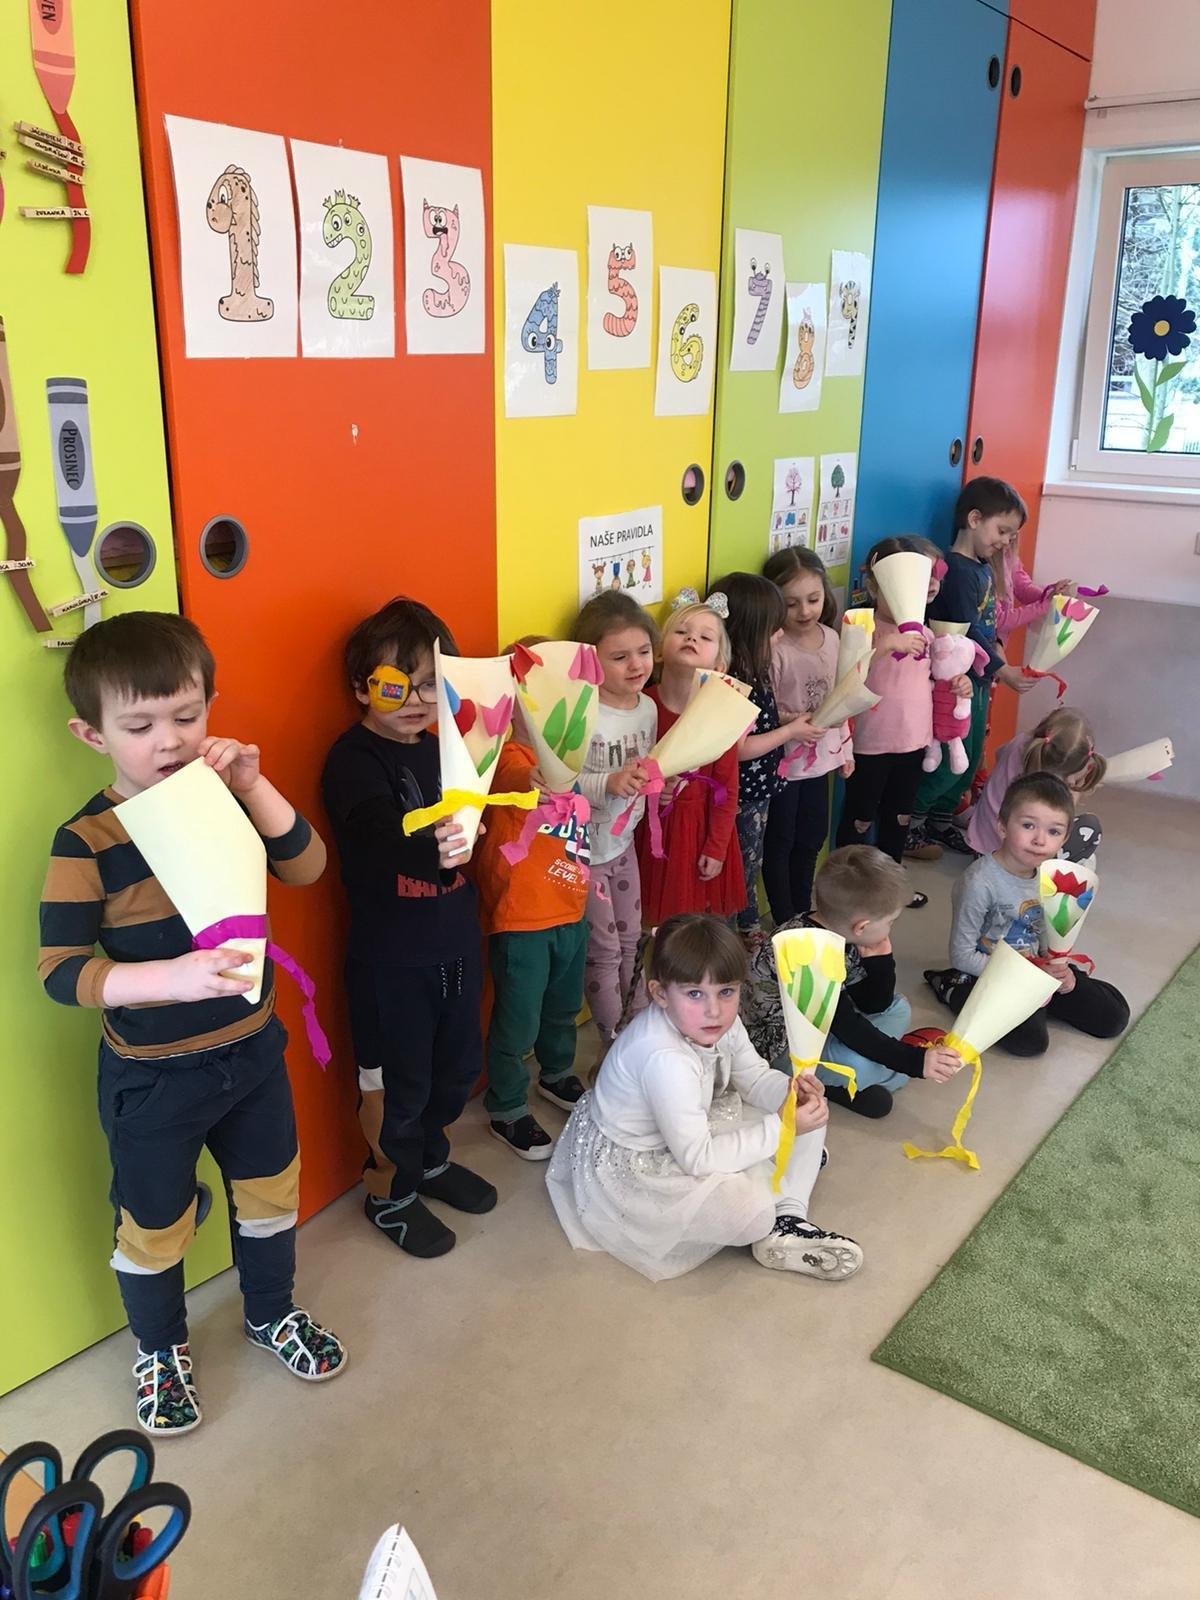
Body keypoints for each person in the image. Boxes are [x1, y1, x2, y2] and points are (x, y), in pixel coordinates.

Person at [38, 613, 346, 1436]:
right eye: (139, 726)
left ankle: (270, 1311)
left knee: (271, 1191)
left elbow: (308, 865)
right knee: (154, 1221)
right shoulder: (86, 839)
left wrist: (252, 784)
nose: (169, 740)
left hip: (251, 1057)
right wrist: (166, 979)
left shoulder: (224, 797)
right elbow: (60, 971)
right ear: (92, 734)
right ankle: (160, 1346)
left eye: (186, 715)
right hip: (152, 1080)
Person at [545, 914, 862, 1282]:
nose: (714, 1010)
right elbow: (697, 1158)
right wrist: (784, 1127)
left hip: (691, 1127)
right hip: (643, 1163)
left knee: (809, 1111)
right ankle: (777, 1201)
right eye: (694, 993)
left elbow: (755, 1078)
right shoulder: (666, 1059)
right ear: (660, 993)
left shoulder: (719, 1022)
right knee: (752, 1212)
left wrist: (792, 1092)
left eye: (726, 991)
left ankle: (789, 1216)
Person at [322, 597, 496, 1261]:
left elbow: (475, 820)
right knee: (397, 1083)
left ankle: (429, 1160)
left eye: (430, 685)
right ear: (361, 687)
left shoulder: (449, 752)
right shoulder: (353, 758)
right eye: (397, 684)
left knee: (457, 1068)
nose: (416, 700)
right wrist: (438, 844)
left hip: (454, 942)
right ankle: (389, 1191)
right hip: (390, 960)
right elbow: (374, 834)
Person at [470, 636, 590, 1161]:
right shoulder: (506, 757)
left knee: (563, 1006)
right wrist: (537, 777)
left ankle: (556, 1073)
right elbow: (517, 779)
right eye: (534, 699)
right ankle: (507, 1106)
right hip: (522, 918)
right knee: (518, 1019)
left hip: (571, 905)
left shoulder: (575, 752)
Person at [742, 846, 962, 1119]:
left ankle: (862, 1074)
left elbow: (873, 1004)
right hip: (782, 1049)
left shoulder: (839, 930)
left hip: (826, 1026)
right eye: (891, 922)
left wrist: (880, 962)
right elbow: (850, 1028)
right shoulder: (809, 955)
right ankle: (837, 1082)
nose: (891, 928)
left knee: (899, 1008)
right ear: (862, 926)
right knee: (860, 1064)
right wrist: (915, 1061)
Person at [925, 773, 1129, 1055]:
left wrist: (1060, 970)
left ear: (1065, 837)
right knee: (1030, 1042)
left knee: (1114, 1017)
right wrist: (1023, 977)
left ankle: (1044, 998)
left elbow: (1047, 932)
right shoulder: (978, 883)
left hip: (1036, 968)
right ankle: (951, 987)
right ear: (1002, 826)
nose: (1040, 840)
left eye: (1054, 831)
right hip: (990, 973)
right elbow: (962, 955)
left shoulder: (1051, 873)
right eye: (1028, 825)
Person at [904, 478, 1036, 858]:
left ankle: (940, 821)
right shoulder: (958, 572)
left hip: (976, 679)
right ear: (974, 519)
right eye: (1002, 531)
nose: (1006, 541)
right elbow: (969, 630)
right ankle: (912, 826)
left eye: (1011, 535)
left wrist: (997, 660)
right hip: (955, 682)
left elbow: (987, 625)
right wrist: (1003, 670)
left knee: (972, 754)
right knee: (950, 758)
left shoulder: (980, 567)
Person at [836, 537, 970, 907]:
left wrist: (959, 683)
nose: (928, 585)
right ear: (877, 585)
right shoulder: (860, 627)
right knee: (859, 819)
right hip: (870, 745)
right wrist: (885, 646)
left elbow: (938, 681)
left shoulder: (927, 634)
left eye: (931, 576)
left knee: (898, 819)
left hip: (912, 744)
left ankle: (890, 888)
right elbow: (846, 678)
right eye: (915, 578)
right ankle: (847, 891)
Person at [712, 572, 820, 947]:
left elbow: (759, 721)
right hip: (743, 792)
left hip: (760, 787)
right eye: (774, 629)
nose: (779, 635)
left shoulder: (755, 669)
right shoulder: (735, 680)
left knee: (751, 859)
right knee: (741, 862)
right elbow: (739, 748)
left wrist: (788, 720)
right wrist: (790, 733)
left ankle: (747, 920)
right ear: (752, 631)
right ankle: (733, 932)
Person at [573, 591, 660, 1044]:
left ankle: (640, 1035)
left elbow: (648, 763)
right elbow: (561, 781)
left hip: (623, 846)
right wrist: (607, 782)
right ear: (592, 661)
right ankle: (615, 1043)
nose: (636, 665)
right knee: (604, 952)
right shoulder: (582, 710)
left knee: (633, 943)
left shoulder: (647, 707)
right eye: (620, 657)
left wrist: (658, 781)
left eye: (643, 651)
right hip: (584, 854)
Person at [637, 593, 744, 924]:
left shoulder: (719, 715)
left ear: (719, 666)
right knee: (645, 917)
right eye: (681, 631)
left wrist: (716, 847)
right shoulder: (642, 705)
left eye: (705, 637)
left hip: (698, 832)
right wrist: (651, 791)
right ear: (658, 651)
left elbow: (728, 790)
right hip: (648, 830)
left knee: (691, 922)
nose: (691, 638)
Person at [761, 547, 846, 923]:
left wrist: (845, 750)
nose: (804, 611)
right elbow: (763, 711)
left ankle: (801, 909)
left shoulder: (832, 638)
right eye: (791, 603)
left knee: (812, 837)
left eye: (813, 599)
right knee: (780, 840)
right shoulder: (775, 649)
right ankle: (785, 917)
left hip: (821, 760)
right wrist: (795, 721)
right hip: (783, 763)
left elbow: (843, 697)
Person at [967, 706, 1105, 863]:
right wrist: (1073, 790)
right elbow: (1060, 820)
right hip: (1014, 861)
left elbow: (999, 755)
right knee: (1090, 827)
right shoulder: (1051, 784)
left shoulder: (1020, 742)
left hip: (981, 847)